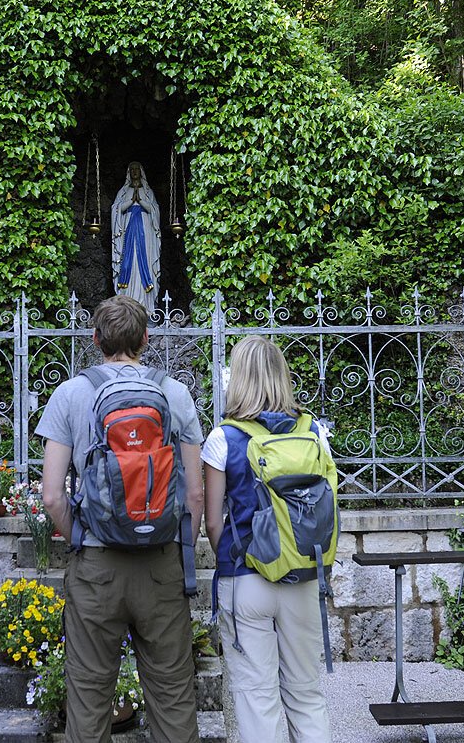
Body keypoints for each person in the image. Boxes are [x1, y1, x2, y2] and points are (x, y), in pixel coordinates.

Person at [39, 295, 203, 743]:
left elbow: (52, 495)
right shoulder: (175, 393)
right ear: (146, 339)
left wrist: (80, 537)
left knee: (89, 698)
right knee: (172, 695)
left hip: (97, 567)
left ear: (95, 340)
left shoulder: (70, 394)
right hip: (161, 564)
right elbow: (194, 492)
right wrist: (180, 548)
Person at [202, 336, 333, 743]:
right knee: (306, 693)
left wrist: (235, 560)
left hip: (245, 579)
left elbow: (212, 523)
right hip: (303, 577)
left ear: (238, 378)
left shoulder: (223, 438)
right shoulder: (314, 433)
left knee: (257, 697)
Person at [110, 161, 161, 314]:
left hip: (146, 233)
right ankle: (127, 302)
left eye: (137, 169)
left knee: (145, 262)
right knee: (128, 264)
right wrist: (131, 201)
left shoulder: (148, 191)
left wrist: (141, 201)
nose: (134, 172)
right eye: (131, 169)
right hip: (128, 232)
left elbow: (155, 211)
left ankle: (146, 305)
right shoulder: (123, 191)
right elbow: (116, 210)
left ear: (141, 172)